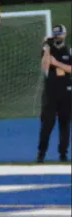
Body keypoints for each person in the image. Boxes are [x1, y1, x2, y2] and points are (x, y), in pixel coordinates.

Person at [37, 24, 72, 163]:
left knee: (65, 124)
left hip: (66, 92)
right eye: (55, 34)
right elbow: (45, 68)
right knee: (47, 124)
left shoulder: (68, 51)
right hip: (50, 94)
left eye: (60, 34)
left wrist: (56, 63)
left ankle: (63, 154)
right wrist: (46, 49)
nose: (57, 37)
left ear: (64, 34)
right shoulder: (48, 51)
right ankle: (41, 153)